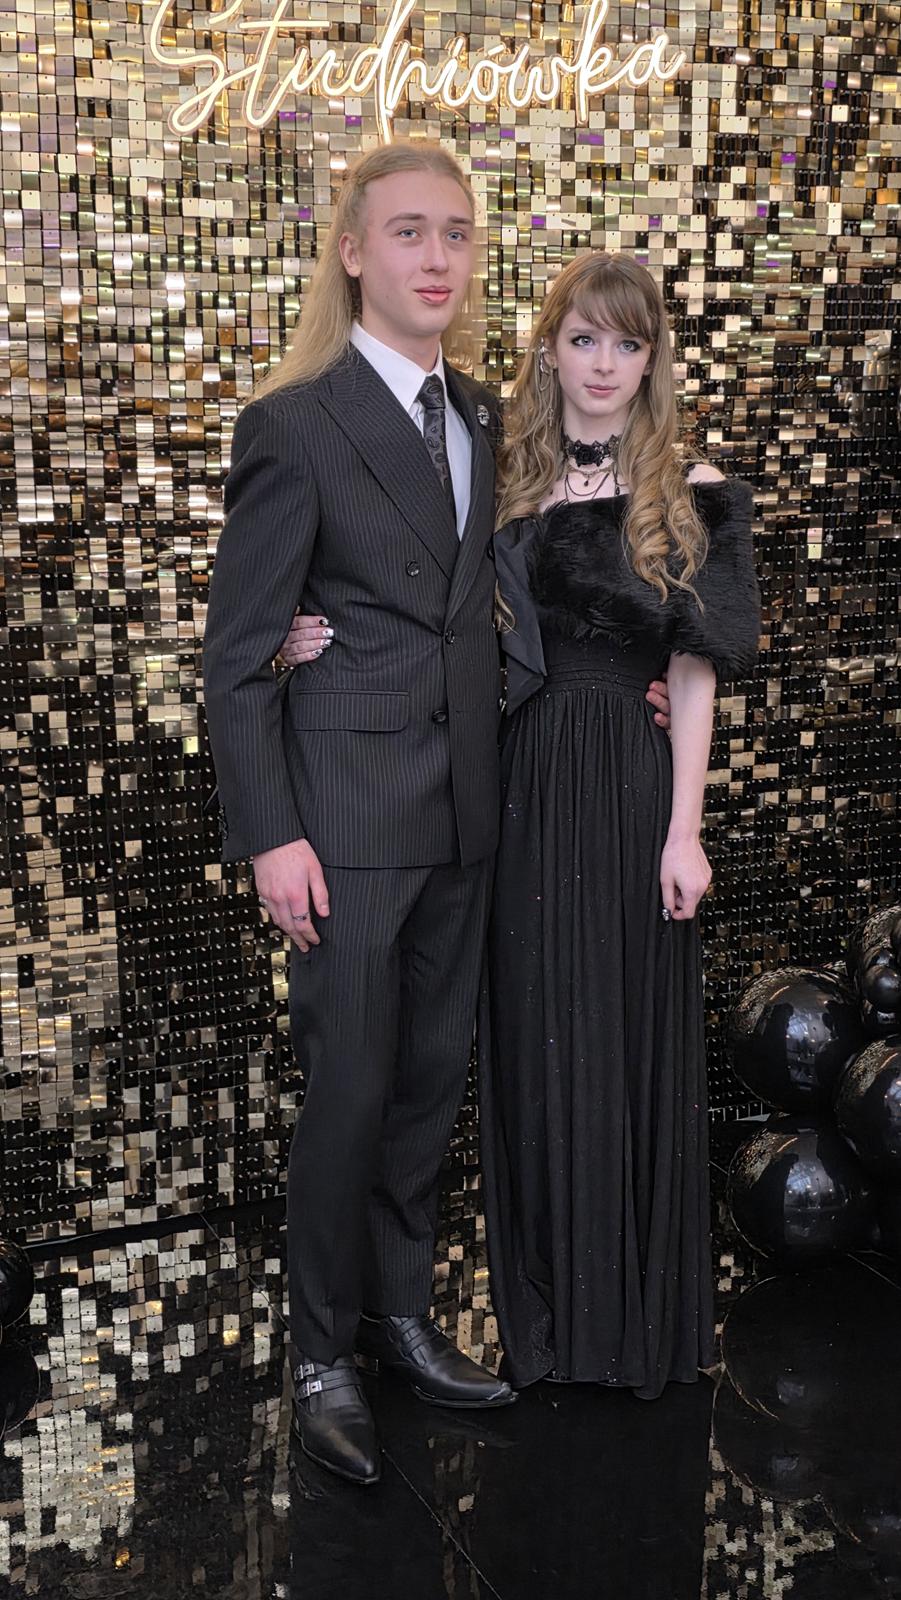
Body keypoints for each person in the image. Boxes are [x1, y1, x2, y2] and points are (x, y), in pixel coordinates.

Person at [206, 140, 674, 1491]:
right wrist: (273, 833)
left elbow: (517, 597)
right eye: (408, 230)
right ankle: (318, 1357)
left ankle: (399, 1319)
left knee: (423, 1090)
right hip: (345, 825)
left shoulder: (479, 414)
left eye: (456, 233)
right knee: (350, 1089)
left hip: (470, 813)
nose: (436, 256)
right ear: (354, 252)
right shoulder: (294, 424)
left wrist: (625, 683)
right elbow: (235, 655)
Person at [285, 248, 760, 1405]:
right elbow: (396, 581)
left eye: (626, 343)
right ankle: (541, 1326)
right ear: (549, 349)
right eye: (583, 338)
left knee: (625, 1035)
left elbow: (694, 672)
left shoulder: (691, 487)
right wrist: (303, 624)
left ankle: (629, 1321)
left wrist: (685, 829)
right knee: (533, 1041)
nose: (603, 363)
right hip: (520, 787)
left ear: (651, 359)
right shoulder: (500, 477)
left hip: (630, 788)